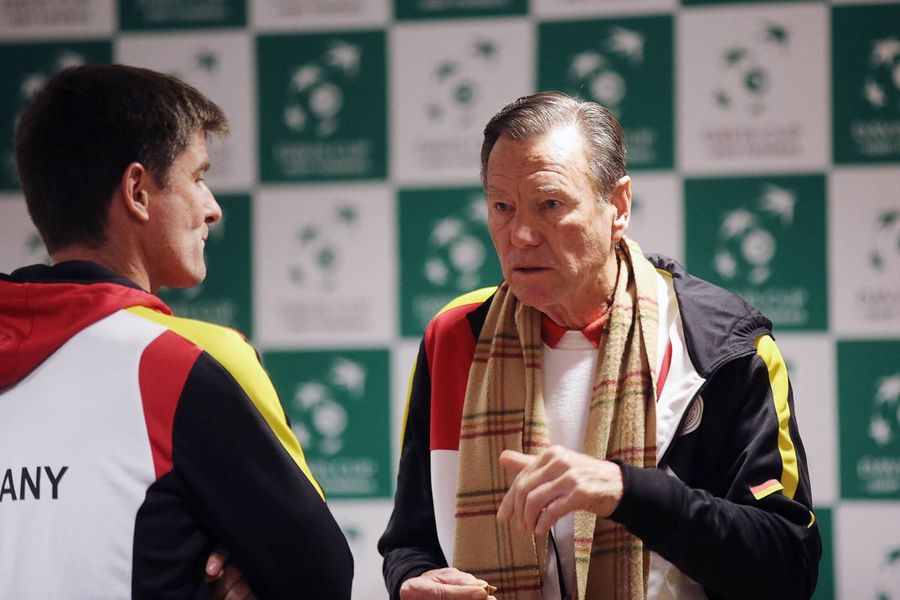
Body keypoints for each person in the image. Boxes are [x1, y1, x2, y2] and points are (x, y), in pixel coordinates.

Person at [378, 91, 821, 600]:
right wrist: (412, 580)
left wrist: (628, 492)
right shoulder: (454, 337)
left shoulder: (719, 344)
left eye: (550, 204)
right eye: (502, 207)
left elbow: (788, 564)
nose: (521, 234)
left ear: (618, 207)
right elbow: (411, 540)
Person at [0, 64, 353, 599]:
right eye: (198, 177)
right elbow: (320, 581)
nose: (212, 209)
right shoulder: (184, 359)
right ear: (138, 191)